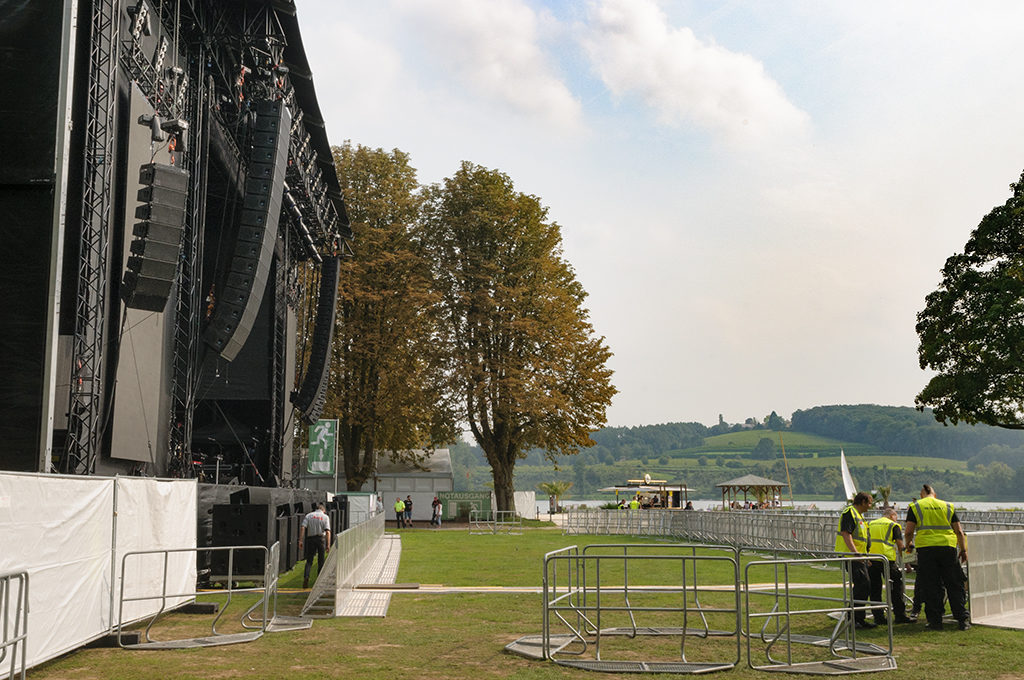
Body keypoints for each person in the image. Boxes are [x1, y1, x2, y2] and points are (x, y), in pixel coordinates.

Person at [904, 484, 969, 631]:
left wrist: (908, 545)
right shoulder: (947, 506)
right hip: (948, 548)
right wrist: (963, 549)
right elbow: (958, 530)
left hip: (926, 550)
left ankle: (935, 621)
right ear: (935, 494)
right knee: (954, 584)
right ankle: (962, 620)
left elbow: (908, 531)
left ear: (922, 495)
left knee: (931, 586)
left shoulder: (915, 506)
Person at [835, 491, 874, 629]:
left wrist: (865, 557)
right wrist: (855, 553)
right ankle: (853, 618)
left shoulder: (859, 516)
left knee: (863, 586)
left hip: (858, 557)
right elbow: (846, 533)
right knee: (863, 585)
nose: (870, 506)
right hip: (852, 557)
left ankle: (858, 618)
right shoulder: (850, 513)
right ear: (863, 502)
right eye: (869, 503)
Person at [867, 507, 912, 624]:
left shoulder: (871, 523)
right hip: (887, 560)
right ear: (892, 516)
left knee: (875, 589)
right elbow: (900, 546)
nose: (897, 520)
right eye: (896, 517)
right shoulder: (893, 525)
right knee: (896, 587)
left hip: (871, 559)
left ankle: (879, 617)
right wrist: (907, 563)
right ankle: (899, 615)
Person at [299, 503, 331, 589]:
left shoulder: (309, 516)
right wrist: (328, 545)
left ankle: (306, 577)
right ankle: (319, 581)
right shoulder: (325, 517)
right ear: (323, 510)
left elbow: (303, 527)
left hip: (310, 539)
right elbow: (327, 531)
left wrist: (301, 540)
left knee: (309, 560)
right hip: (321, 539)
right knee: (321, 561)